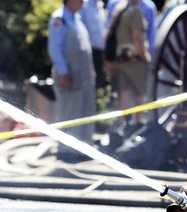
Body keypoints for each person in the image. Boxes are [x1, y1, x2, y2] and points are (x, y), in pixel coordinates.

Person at [48, 0, 96, 162]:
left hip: (83, 77)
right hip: (70, 76)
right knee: (69, 111)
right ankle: (66, 150)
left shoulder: (77, 20)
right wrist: (63, 72)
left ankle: (82, 148)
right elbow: (55, 48)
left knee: (84, 110)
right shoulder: (59, 20)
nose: (83, 2)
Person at [107, 0, 151, 126]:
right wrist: (145, 57)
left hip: (121, 60)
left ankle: (121, 127)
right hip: (134, 60)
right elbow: (137, 38)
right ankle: (138, 126)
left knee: (124, 94)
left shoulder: (120, 9)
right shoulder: (136, 11)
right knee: (141, 95)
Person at [80, 0, 108, 89]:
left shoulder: (100, 5)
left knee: (100, 83)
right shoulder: (84, 6)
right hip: (89, 52)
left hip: (101, 52)